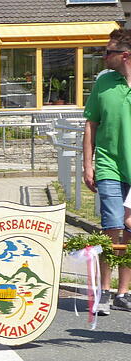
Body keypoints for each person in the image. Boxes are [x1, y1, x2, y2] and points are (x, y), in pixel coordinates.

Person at [83, 29, 131, 314]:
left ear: (125, 55)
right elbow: (91, 124)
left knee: (130, 230)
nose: (103, 56)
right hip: (109, 165)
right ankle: (104, 290)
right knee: (111, 228)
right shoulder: (103, 82)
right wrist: (88, 165)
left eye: (108, 52)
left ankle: (123, 293)